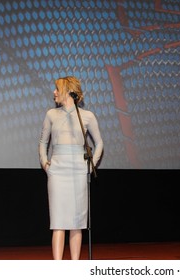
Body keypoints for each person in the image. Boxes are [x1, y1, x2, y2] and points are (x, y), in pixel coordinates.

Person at [39, 76, 103, 260]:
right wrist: (45, 164)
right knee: (58, 222)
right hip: (57, 171)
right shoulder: (51, 114)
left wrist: (90, 167)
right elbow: (43, 142)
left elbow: (99, 144)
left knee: (77, 222)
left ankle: (75, 268)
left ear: (68, 91)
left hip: (78, 171)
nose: (54, 92)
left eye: (57, 89)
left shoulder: (87, 116)